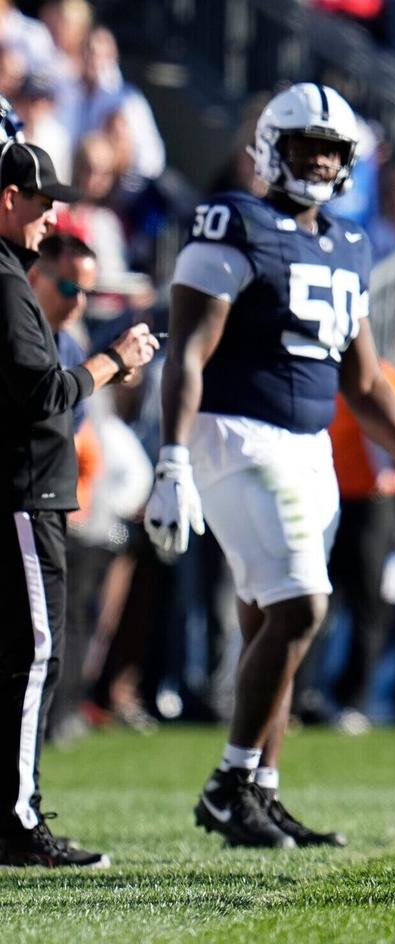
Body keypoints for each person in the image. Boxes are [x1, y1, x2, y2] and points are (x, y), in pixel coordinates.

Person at [144, 83, 395, 850]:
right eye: (305, 146)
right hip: (235, 434)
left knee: (271, 617)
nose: (319, 162)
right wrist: (170, 458)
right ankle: (229, 782)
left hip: (308, 445)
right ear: (269, 150)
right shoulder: (234, 223)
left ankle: (261, 792)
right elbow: (188, 352)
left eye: (331, 150)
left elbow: (362, 379)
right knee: (302, 608)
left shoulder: (350, 244)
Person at [0, 139, 158, 868]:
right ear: (8, 198)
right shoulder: (6, 280)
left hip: (30, 492)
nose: (50, 212)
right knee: (35, 654)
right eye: (40, 199)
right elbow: (43, 393)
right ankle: (17, 817)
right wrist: (112, 361)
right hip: (24, 494)